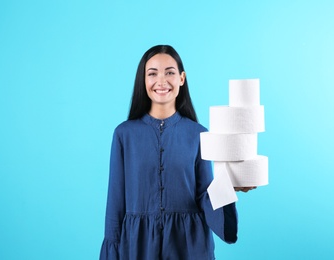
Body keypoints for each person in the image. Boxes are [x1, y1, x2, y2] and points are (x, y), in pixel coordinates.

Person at [100, 45, 256, 260]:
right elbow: (116, 202)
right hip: (137, 247)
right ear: (143, 80)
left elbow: (204, 196)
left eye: (170, 72)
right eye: (152, 73)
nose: (161, 81)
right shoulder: (123, 134)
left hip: (189, 245)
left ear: (182, 78)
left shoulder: (199, 134)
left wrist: (230, 187)